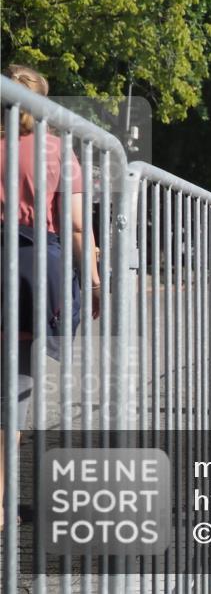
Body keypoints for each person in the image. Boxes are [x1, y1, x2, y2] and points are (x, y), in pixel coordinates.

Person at [1, 65, 101, 529]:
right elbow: (78, 226)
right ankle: (2, 502)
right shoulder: (58, 151)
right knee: (14, 391)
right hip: (30, 274)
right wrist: (94, 281)